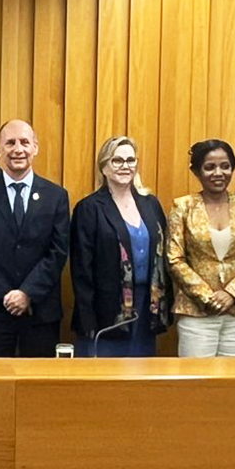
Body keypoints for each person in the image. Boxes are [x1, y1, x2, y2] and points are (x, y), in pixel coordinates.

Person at [0, 120, 70, 357]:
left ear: (35, 147)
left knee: (39, 387)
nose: (17, 149)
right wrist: (6, 295)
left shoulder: (56, 196)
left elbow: (58, 252)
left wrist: (27, 293)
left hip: (40, 311)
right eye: (10, 143)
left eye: (24, 142)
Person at [70, 136, 171, 357]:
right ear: (104, 167)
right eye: (117, 160)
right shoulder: (89, 208)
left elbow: (164, 256)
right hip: (106, 311)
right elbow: (81, 272)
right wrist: (88, 319)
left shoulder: (151, 204)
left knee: (142, 380)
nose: (125, 166)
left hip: (147, 309)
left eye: (131, 160)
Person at [167, 138, 235, 357]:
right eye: (209, 167)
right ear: (196, 172)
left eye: (225, 166)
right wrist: (207, 297)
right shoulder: (182, 206)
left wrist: (232, 293)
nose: (218, 173)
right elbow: (175, 259)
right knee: (196, 384)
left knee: (233, 384)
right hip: (196, 312)